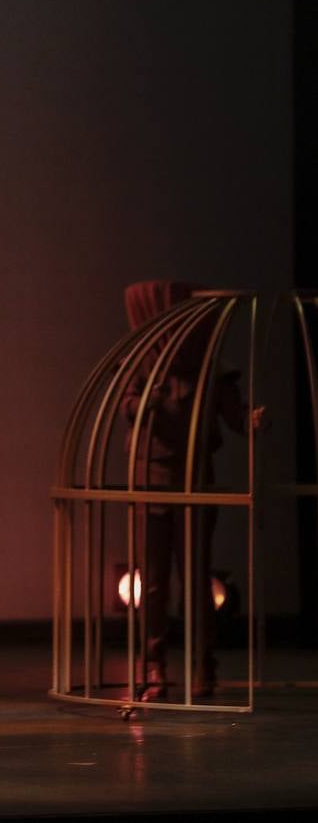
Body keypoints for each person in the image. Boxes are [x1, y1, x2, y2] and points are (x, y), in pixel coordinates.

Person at [120, 281, 260, 701]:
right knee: (155, 582)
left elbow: (237, 417)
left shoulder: (210, 367)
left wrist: (253, 420)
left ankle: (204, 666)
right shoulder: (140, 362)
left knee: (198, 579)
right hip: (149, 478)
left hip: (195, 476)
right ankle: (154, 666)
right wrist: (148, 400)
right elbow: (127, 405)